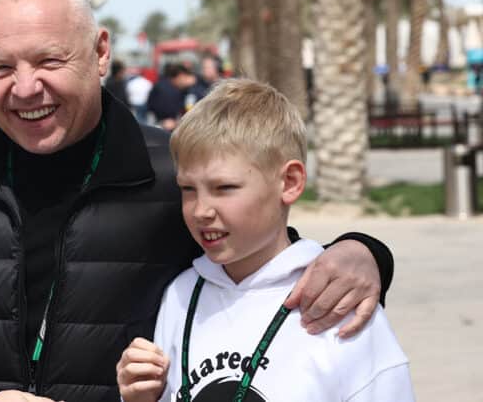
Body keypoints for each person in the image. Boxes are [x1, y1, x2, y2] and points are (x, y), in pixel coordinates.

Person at [0, 0, 394, 402]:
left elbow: (262, 262)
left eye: (48, 60)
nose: (26, 87)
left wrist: (362, 251)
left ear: (100, 52)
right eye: (1, 68)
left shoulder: (172, 175)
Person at [117, 79, 414, 402]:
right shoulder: (180, 295)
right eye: (188, 189)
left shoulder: (336, 302)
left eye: (224, 188)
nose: (201, 210)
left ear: (290, 182)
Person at [147, 64, 197, 131]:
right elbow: (169, 111)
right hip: (163, 126)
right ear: (180, 76)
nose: (187, 81)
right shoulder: (167, 90)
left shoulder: (164, 84)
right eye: (185, 78)